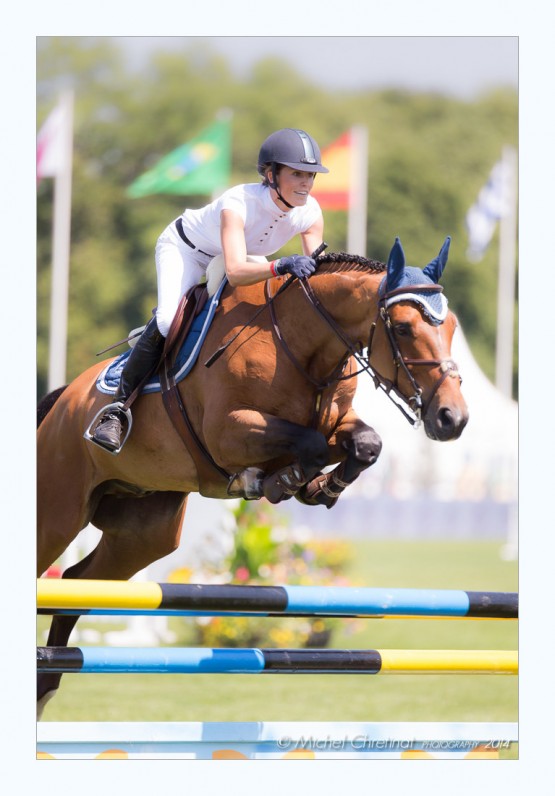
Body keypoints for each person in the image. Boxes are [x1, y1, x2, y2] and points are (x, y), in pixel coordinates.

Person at [91, 127, 329, 452]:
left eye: (311, 175)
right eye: (297, 174)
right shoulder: (239, 202)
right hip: (187, 249)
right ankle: (117, 411)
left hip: (241, 256)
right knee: (166, 320)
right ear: (272, 175)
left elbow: (319, 269)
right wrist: (280, 266)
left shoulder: (311, 212)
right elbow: (236, 270)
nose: (306, 183)